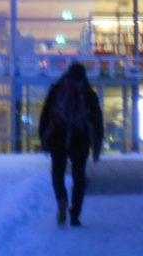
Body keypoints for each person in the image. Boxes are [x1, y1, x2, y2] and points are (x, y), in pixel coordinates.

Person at [38, 61, 103, 227]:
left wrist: (43, 137)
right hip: (80, 138)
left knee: (57, 174)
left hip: (58, 136)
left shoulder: (57, 89)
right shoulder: (88, 93)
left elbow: (45, 114)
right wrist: (97, 145)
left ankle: (61, 200)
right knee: (79, 176)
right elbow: (97, 121)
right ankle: (75, 215)